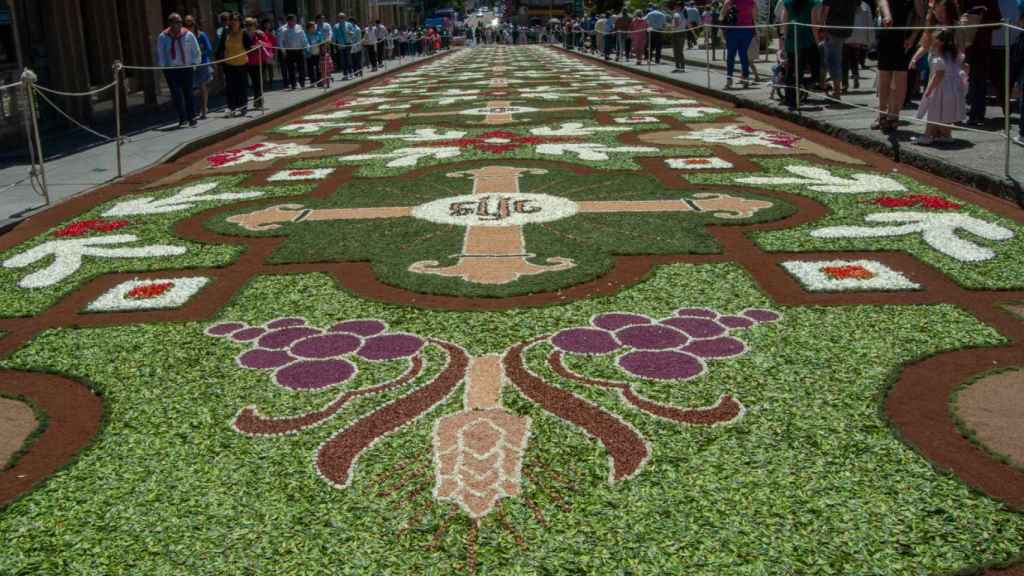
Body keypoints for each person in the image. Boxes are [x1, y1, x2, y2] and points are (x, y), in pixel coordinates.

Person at [874, 0, 924, 130]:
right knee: (884, 75)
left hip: (904, 39)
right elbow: (881, 2)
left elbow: (921, 17)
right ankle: (882, 115)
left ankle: (894, 116)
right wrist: (887, 15)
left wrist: (912, 38)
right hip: (886, 34)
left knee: (900, 77)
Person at [912, 28, 965, 144]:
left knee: (933, 112)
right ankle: (946, 135)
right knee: (945, 113)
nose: (931, 39)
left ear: (940, 42)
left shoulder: (938, 56)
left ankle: (927, 136)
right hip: (953, 88)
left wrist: (929, 90)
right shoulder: (954, 54)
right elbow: (964, 67)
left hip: (941, 88)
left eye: (934, 38)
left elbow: (939, 75)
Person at [156, 13, 200, 128]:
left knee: (189, 93)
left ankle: (192, 117)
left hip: (186, 68)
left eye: (180, 22)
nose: (178, 24)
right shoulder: (163, 36)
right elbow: (160, 53)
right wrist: (163, 68)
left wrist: (195, 64)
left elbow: (196, 50)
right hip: (171, 70)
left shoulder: (188, 34)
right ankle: (182, 118)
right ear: (170, 24)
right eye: (175, 22)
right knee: (176, 95)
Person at [214, 12, 252, 117]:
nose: (234, 22)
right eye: (233, 20)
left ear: (240, 22)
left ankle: (243, 106)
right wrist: (217, 60)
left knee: (241, 86)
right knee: (230, 87)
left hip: (241, 64)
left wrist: (258, 45)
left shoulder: (244, 33)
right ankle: (231, 107)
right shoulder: (226, 32)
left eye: (236, 20)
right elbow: (221, 47)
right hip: (229, 63)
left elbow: (250, 47)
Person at [820, 0, 858, 101]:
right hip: (846, 28)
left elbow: (825, 11)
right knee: (836, 58)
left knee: (833, 60)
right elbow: (857, 7)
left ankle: (836, 91)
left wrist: (821, 28)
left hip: (833, 29)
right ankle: (831, 86)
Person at [781, 0, 816, 108]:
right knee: (799, 71)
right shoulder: (812, 3)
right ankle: (795, 97)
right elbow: (814, 24)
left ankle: (789, 98)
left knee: (790, 70)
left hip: (792, 40)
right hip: (805, 40)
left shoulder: (787, 3)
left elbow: (784, 23)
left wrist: (784, 40)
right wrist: (817, 40)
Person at [722, 0, 756, 88]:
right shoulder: (752, 2)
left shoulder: (730, 1)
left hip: (733, 30)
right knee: (743, 54)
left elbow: (722, 15)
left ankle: (729, 79)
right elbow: (755, 17)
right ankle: (745, 78)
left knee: (731, 55)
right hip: (747, 30)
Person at [184, 15, 212, 120]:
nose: (189, 25)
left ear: (194, 23)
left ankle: (204, 108)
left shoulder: (202, 35)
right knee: (192, 89)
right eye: (186, 23)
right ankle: (194, 110)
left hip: (202, 64)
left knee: (202, 86)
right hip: (190, 65)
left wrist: (199, 54)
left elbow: (209, 49)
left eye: (190, 22)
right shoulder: (184, 37)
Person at [845, 0, 874, 90]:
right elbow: (869, 23)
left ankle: (844, 83)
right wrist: (870, 40)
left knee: (844, 59)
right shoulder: (865, 5)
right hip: (858, 35)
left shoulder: (843, 3)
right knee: (854, 57)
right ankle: (855, 75)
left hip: (845, 34)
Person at [279, 14, 309, 90]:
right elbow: (280, 41)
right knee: (291, 68)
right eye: (292, 20)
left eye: (295, 20)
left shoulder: (299, 27)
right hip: (289, 51)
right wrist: (283, 51)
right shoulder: (283, 29)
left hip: (299, 50)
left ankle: (302, 83)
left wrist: (307, 46)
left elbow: (303, 37)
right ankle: (293, 84)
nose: (294, 22)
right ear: (288, 21)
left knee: (301, 67)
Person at [244, 18, 268, 109]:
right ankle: (257, 100)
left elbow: (268, 44)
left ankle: (259, 101)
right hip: (249, 62)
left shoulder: (260, 34)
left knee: (260, 82)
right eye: (247, 25)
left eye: (251, 25)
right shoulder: (243, 34)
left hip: (260, 61)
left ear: (255, 26)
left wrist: (262, 43)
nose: (249, 27)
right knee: (255, 82)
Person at [259, 19, 278, 90]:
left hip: (270, 53)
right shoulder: (261, 33)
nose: (267, 25)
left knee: (270, 70)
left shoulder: (272, 32)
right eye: (266, 23)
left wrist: (275, 55)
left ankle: (270, 83)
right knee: (263, 70)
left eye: (268, 23)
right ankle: (264, 84)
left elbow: (275, 43)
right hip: (263, 53)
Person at [335, 12, 352, 80]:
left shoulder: (349, 24)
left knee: (348, 59)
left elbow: (352, 33)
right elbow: (335, 36)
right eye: (340, 17)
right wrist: (335, 44)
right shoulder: (336, 26)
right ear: (338, 18)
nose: (341, 19)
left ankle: (350, 73)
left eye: (342, 17)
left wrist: (350, 33)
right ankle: (345, 74)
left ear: (345, 18)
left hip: (348, 43)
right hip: (340, 44)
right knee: (343, 60)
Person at [305, 21, 323, 87]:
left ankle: (319, 82)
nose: (314, 28)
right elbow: (305, 43)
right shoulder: (306, 35)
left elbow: (321, 42)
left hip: (317, 53)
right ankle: (312, 82)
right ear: (309, 28)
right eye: (312, 27)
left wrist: (322, 51)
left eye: (314, 26)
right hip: (310, 54)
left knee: (318, 68)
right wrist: (308, 51)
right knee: (311, 69)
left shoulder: (319, 33)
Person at [671, 3, 687, 71]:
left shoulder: (676, 14)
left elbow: (676, 24)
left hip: (676, 33)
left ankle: (677, 66)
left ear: (679, 7)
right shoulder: (683, 14)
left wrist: (670, 26)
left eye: (676, 6)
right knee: (680, 51)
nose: (674, 7)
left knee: (676, 51)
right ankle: (682, 66)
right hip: (682, 33)